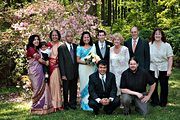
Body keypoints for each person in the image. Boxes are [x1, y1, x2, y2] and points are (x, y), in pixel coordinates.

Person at [26, 35, 54, 115]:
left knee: (42, 86)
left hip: (40, 70)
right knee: (36, 88)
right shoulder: (31, 49)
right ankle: (35, 106)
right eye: (34, 40)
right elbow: (39, 59)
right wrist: (47, 63)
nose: (36, 41)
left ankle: (42, 105)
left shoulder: (37, 49)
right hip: (34, 71)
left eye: (38, 39)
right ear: (31, 41)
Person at [149, 28, 173, 107]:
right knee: (153, 85)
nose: (157, 35)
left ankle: (163, 102)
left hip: (163, 67)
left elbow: (170, 58)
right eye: (156, 34)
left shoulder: (167, 45)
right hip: (152, 67)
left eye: (159, 34)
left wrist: (169, 69)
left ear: (162, 35)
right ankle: (154, 101)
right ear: (153, 35)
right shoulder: (149, 45)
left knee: (164, 86)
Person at [76, 31, 98, 111]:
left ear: (90, 38)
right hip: (83, 69)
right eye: (85, 37)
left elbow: (95, 58)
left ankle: (92, 103)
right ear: (82, 38)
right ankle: (84, 104)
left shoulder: (94, 46)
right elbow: (77, 60)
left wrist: (93, 61)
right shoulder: (79, 47)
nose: (86, 39)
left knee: (92, 84)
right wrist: (87, 62)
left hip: (92, 68)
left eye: (88, 37)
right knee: (84, 84)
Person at [58, 30, 78, 110]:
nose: (70, 38)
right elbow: (61, 62)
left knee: (74, 89)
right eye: (68, 36)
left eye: (71, 36)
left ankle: (72, 104)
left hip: (74, 72)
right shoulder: (61, 48)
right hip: (66, 73)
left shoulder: (76, 46)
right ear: (65, 38)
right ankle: (66, 104)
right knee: (66, 89)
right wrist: (63, 74)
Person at [47, 29, 63, 111]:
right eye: (53, 35)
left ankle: (59, 104)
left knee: (57, 85)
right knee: (51, 86)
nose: (54, 36)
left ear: (58, 36)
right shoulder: (48, 45)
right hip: (49, 67)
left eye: (56, 35)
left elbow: (64, 58)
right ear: (51, 36)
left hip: (58, 67)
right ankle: (52, 104)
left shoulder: (61, 45)